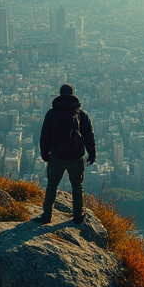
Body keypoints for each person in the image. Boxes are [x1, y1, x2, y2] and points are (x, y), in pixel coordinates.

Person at [35, 83, 96, 225]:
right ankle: (78, 215)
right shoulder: (81, 114)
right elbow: (89, 136)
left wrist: (45, 154)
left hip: (57, 156)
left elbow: (45, 136)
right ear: (73, 95)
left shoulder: (52, 113)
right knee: (77, 185)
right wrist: (92, 154)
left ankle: (47, 215)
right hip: (77, 156)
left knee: (52, 184)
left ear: (60, 95)